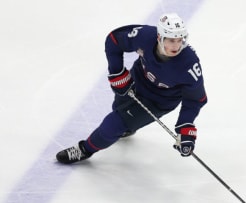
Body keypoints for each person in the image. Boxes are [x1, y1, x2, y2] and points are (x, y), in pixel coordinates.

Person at [56, 13, 207, 164]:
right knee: (118, 108)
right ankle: (127, 129)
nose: (176, 46)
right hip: (134, 81)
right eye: (171, 40)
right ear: (160, 37)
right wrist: (117, 73)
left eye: (180, 40)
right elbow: (114, 40)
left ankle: (85, 149)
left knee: (113, 125)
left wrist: (185, 125)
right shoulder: (145, 36)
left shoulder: (189, 64)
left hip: (159, 102)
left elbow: (196, 99)